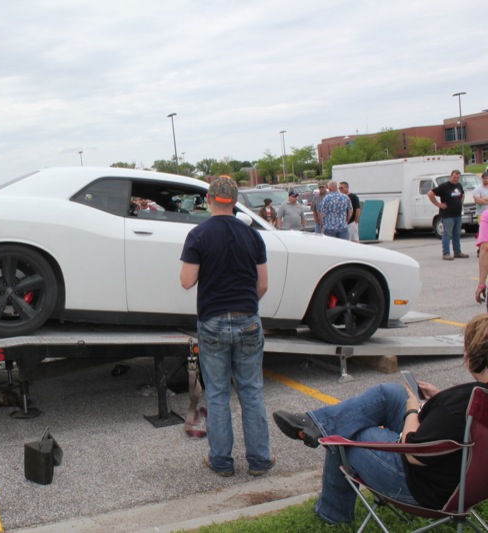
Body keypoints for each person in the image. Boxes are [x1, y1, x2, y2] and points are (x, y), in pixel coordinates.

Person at [273, 312, 488, 525]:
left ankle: (332, 514)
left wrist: (413, 411)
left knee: (345, 434)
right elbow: (462, 422)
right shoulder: (474, 399)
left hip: (425, 488)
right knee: (391, 394)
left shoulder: (461, 401)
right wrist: (440, 398)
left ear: (472, 357)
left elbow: (415, 454)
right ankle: (315, 423)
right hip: (462, 479)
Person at [179, 176, 274, 478]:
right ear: (234, 202)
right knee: (252, 392)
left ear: (209, 199)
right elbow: (263, 285)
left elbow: (187, 281)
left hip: (212, 321)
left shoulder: (198, 235)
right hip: (248, 320)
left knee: (218, 394)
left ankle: (221, 462)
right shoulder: (253, 236)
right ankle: (259, 461)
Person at [428, 169, 468, 260]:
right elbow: (430, 193)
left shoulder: (459, 185)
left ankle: (457, 252)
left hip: (457, 214)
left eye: (457, 177)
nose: (456, 179)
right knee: (447, 234)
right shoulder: (444, 186)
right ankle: (446, 253)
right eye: (454, 177)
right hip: (447, 215)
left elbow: (462, 194)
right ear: (451, 176)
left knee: (457, 234)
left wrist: (461, 203)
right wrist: (438, 204)